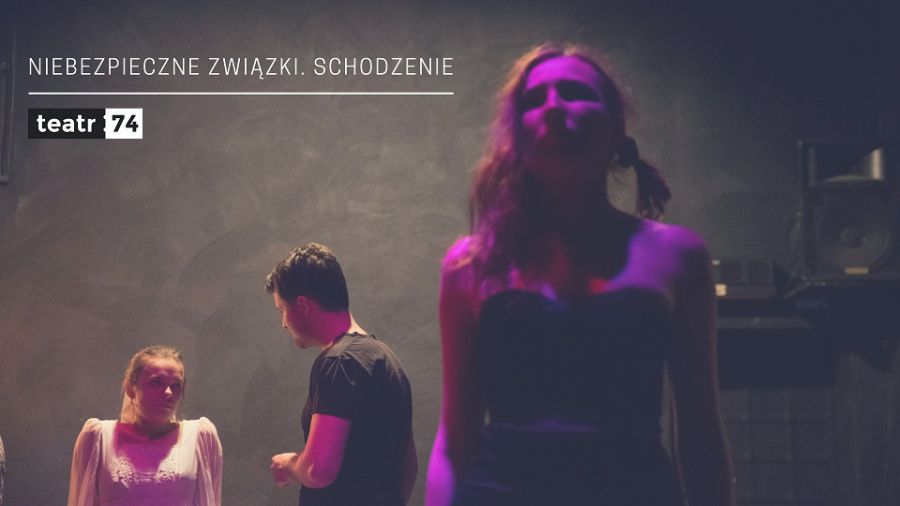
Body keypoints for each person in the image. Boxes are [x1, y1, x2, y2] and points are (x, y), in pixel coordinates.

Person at [426, 44, 736, 506]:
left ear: (616, 126)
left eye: (574, 92)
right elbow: (454, 443)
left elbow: (700, 435)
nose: (553, 107)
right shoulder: (470, 264)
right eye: (535, 99)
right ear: (516, 135)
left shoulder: (678, 256)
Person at [266, 242, 416, 505]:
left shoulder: (339, 363)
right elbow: (408, 466)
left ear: (303, 305)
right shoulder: (385, 358)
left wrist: (288, 464)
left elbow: (318, 470)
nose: (283, 324)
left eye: (282, 311)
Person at [67, 345, 222, 506]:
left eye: (176, 385)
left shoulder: (200, 437)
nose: (168, 392)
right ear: (131, 389)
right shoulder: (98, 437)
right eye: (157, 383)